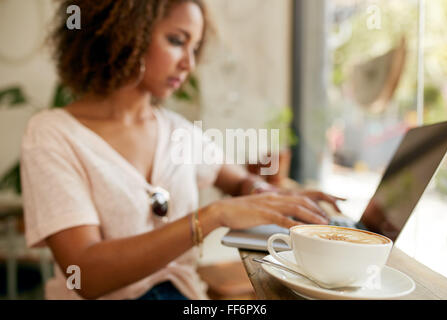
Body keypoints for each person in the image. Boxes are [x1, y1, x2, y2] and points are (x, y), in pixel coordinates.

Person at [20, 0, 343, 300]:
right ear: (128, 32)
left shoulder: (177, 131)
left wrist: (265, 193)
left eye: (195, 47)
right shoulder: (52, 133)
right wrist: (210, 216)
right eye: (176, 41)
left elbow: (237, 181)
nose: (188, 63)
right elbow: (86, 273)